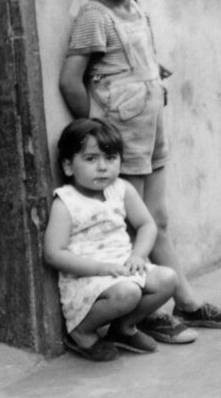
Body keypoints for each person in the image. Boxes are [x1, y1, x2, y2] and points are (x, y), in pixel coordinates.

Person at [59, 0, 221, 344]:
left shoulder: (137, 9)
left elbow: (141, 62)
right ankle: (148, 311)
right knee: (128, 225)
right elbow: (71, 80)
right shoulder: (94, 16)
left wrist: (153, 86)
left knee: (156, 219)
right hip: (121, 133)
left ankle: (184, 301)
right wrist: (96, 133)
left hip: (150, 126)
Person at [43, 118, 178, 362]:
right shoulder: (66, 201)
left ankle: (123, 329)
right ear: (68, 166)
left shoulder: (122, 189)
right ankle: (81, 333)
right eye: (91, 159)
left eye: (110, 158)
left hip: (123, 267)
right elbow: (54, 253)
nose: (103, 167)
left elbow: (147, 225)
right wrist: (101, 268)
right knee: (128, 293)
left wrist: (137, 255)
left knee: (168, 279)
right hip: (87, 278)